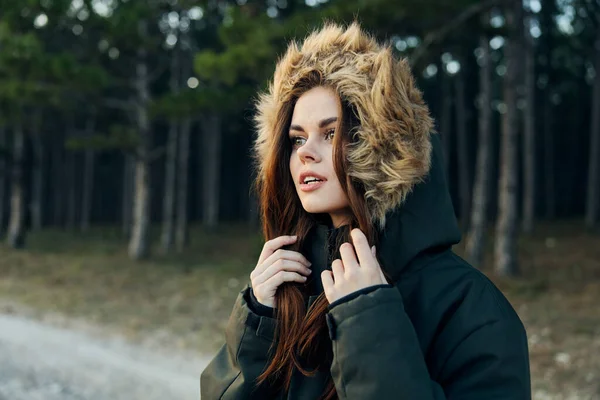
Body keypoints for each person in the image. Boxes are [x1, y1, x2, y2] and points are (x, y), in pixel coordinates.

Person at [200, 22, 531, 400]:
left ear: (382, 148)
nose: (306, 152)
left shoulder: (471, 307)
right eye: (296, 139)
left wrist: (369, 323)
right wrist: (258, 320)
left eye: (331, 133)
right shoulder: (288, 289)